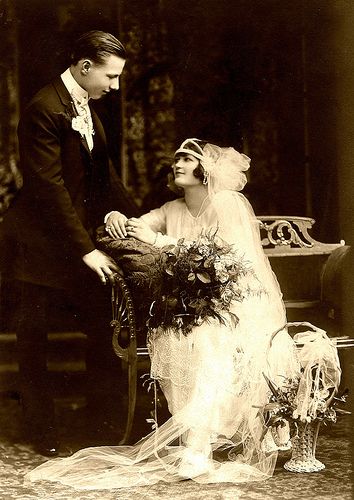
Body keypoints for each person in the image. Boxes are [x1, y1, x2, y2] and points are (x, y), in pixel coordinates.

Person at [26, 138, 303, 489]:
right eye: (176, 159)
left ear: (206, 168)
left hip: (237, 302)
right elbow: (136, 224)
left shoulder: (227, 204)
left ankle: (198, 446)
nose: (178, 164)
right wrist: (115, 217)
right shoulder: (171, 209)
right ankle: (195, 441)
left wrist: (159, 243)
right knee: (176, 334)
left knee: (208, 338)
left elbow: (230, 259)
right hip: (194, 306)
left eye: (187, 158)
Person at [0, 30, 135, 456]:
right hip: (36, 244)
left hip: (72, 236)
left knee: (100, 327)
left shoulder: (87, 107)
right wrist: (86, 249)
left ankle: (103, 424)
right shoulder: (45, 107)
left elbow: (103, 174)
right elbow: (49, 188)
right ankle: (40, 433)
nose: (114, 86)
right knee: (33, 340)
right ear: (84, 67)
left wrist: (124, 214)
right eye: (110, 77)